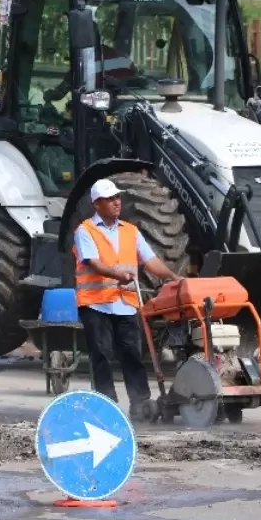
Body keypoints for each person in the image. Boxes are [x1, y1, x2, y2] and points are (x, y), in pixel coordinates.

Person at [74, 178, 181, 420]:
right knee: (101, 355)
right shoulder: (85, 231)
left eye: (117, 198)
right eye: (110, 199)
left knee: (132, 354)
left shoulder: (130, 231)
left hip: (125, 304)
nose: (116, 202)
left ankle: (140, 403)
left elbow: (150, 261)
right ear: (97, 204)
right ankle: (106, 405)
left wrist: (174, 276)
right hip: (96, 303)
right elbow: (93, 262)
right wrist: (117, 274)